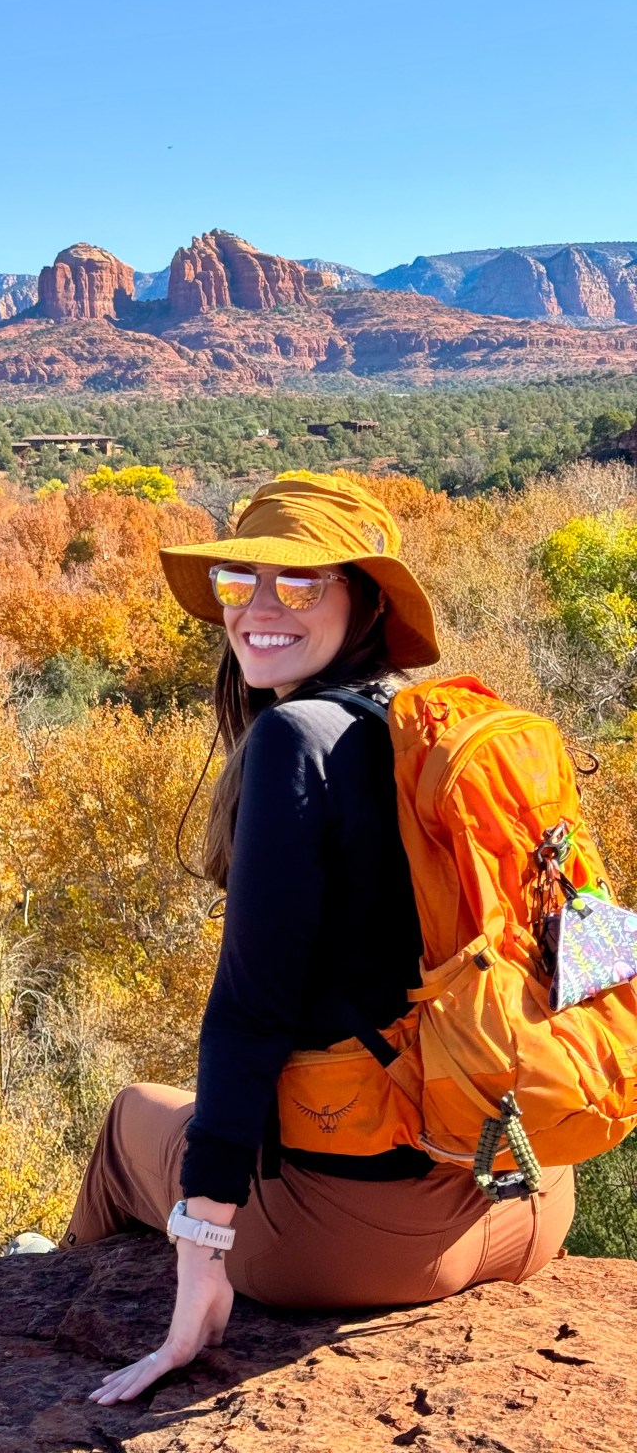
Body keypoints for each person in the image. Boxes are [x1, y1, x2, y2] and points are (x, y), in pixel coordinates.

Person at [57, 472, 575, 1408]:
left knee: (134, 1115)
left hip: (360, 1245)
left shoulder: (297, 738)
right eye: (238, 580)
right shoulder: (438, 737)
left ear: (365, 601)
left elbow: (251, 1013)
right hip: (525, 1202)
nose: (258, 608)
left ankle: (61, 1287)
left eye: (299, 583)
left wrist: (203, 1252)